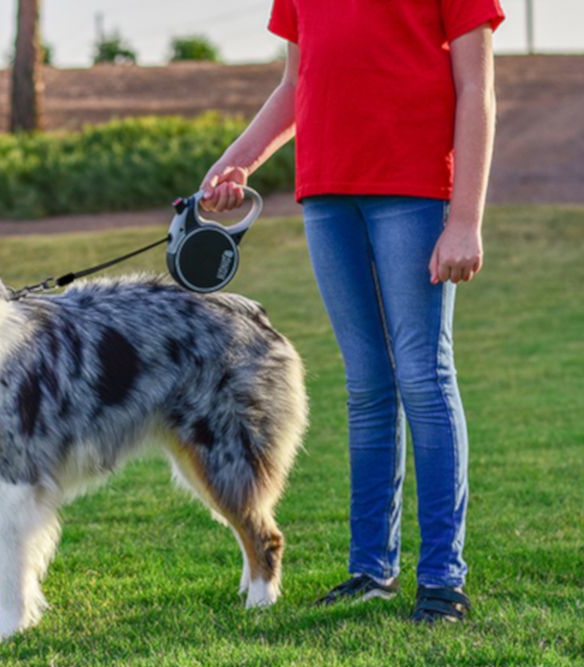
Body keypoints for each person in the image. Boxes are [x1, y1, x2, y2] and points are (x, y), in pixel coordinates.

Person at [200, 0, 505, 623]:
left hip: (414, 190)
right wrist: (239, 158)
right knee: (367, 384)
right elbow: (296, 82)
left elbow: (476, 87)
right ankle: (372, 569)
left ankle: (443, 578)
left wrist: (467, 218)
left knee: (423, 375)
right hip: (327, 193)